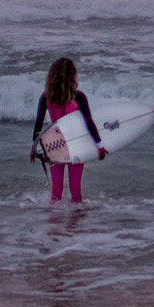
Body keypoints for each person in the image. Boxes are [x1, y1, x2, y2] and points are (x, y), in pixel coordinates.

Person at [30, 56, 105, 204]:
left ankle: (53, 226)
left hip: (55, 146)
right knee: (75, 191)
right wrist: (100, 146)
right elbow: (89, 122)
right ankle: (76, 226)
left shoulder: (46, 97)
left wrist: (33, 147)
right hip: (77, 145)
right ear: (72, 77)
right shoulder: (79, 97)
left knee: (56, 193)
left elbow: (38, 124)